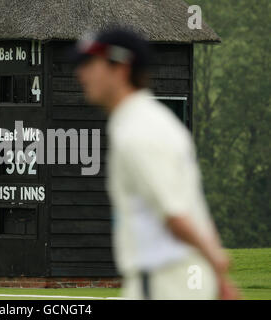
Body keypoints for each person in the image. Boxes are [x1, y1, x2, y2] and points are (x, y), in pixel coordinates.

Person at [70, 27, 240, 300]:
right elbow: (191, 206)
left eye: (90, 63)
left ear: (121, 68)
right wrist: (217, 278)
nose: (81, 74)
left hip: (163, 283)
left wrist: (216, 263)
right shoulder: (153, 121)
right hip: (178, 280)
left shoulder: (137, 130)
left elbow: (174, 215)